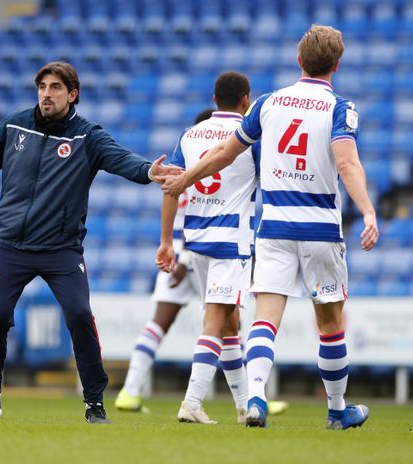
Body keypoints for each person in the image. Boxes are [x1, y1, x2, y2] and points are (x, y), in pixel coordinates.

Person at [0, 61, 183, 424]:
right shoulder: (13, 125)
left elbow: (120, 159)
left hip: (61, 250)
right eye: (42, 87)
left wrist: (148, 171)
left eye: (55, 88)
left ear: (72, 94)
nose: (46, 94)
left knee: (80, 314)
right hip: (11, 245)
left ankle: (94, 402)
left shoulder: (87, 136)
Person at [162, 25, 378, 429]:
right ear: (337, 64)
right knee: (330, 323)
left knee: (265, 319)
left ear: (299, 61)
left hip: (274, 226)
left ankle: (257, 397)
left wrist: (184, 180)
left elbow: (224, 155)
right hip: (319, 228)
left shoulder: (266, 103)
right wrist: (367, 210)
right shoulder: (339, 108)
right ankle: (336, 410)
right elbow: (347, 164)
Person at [157, 72, 256, 424]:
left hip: (196, 240)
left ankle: (246, 407)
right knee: (216, 321)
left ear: (215, 99)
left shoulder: (190, 135)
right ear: (246, 99)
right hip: (230, 241)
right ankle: (192, 401)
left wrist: (167, 240)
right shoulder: (250, 136)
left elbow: (172, 186)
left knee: (230, 322)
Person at [114, 110, 212, 413]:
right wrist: (182, 256)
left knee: (159, 322)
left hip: (179, 252)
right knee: (228, 324)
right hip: (203, 252)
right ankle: (253, 394)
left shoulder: (182, 164)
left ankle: (129, 392)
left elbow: (172, 200)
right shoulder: (215, 166)